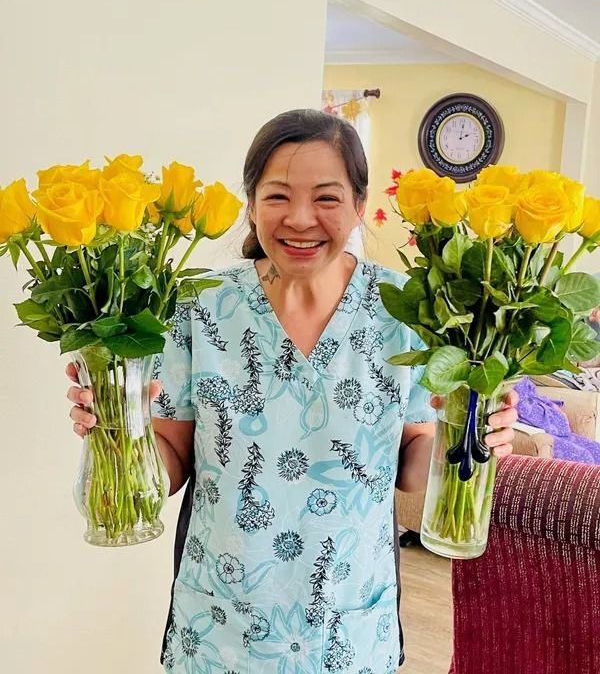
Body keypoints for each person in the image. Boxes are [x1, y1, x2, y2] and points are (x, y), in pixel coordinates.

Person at [68, 109, 517, 674]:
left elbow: (410, 460)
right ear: (251, 204)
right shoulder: (198, 306)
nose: (300, 219)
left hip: (349, 624)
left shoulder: (407, 308)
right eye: (277, 196)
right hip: (222, 626)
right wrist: (118, 431)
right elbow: (174, 456)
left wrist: (468, 438)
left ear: (359, 205)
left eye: (327, 199)